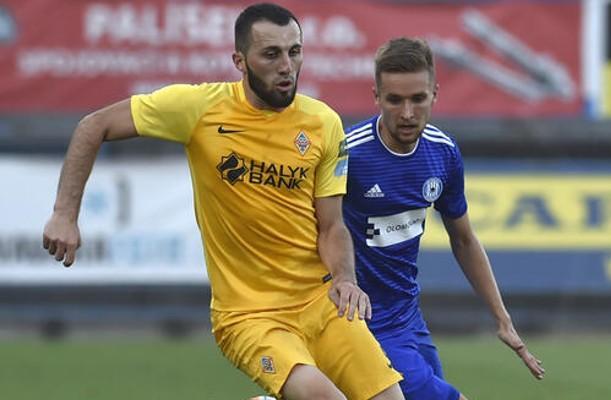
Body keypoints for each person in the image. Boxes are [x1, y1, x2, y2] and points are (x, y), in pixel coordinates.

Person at [42, 3, 405, 400]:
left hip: (322, 304)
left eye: (294, 51)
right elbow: (94, 126)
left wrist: (345, 279)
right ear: (239, 61)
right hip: (249, 315)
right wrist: (64, 214)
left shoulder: (324, 123)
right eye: (271, 54)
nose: (287, 66)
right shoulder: (200, 109)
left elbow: (331, 226)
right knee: (321, 397)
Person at [342, 37, 546, 400]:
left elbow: (464, 239)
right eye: (395, 100)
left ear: (434, 95)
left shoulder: (443, 153)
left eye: (418, 98)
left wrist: (502, 319)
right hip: (362, 321)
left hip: (409, 317)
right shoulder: (349, 155)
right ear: (376, 97)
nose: (407, 113)